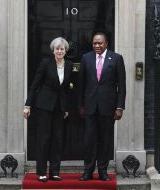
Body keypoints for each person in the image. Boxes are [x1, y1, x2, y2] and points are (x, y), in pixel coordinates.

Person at [22, 37, 72, 182]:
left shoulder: (68, 65)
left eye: (62, 49)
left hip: (60, 107)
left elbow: (66, 89)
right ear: (53, 50)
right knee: (44, 139)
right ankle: (42, 172)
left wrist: (66, 107)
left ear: (65, 50)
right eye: (57, 49)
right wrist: (27, 105)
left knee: (57, 139)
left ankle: (55, 172)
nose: (60, 51)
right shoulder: (46, 63)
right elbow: (35, 84)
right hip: (44, 105)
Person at [78, 32, 126, 181]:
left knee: (105, 140)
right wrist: (81, 105)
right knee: (89, 140)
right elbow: (81, 84)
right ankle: (88, 171)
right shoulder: (86, 58)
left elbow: (122, 86)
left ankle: (103, 172)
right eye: (95, 43)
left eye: (100, 43)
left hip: (108, 107)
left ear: (106, 43)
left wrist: (119, 107)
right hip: (90, 107)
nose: (97, 46)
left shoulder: (116, 58)